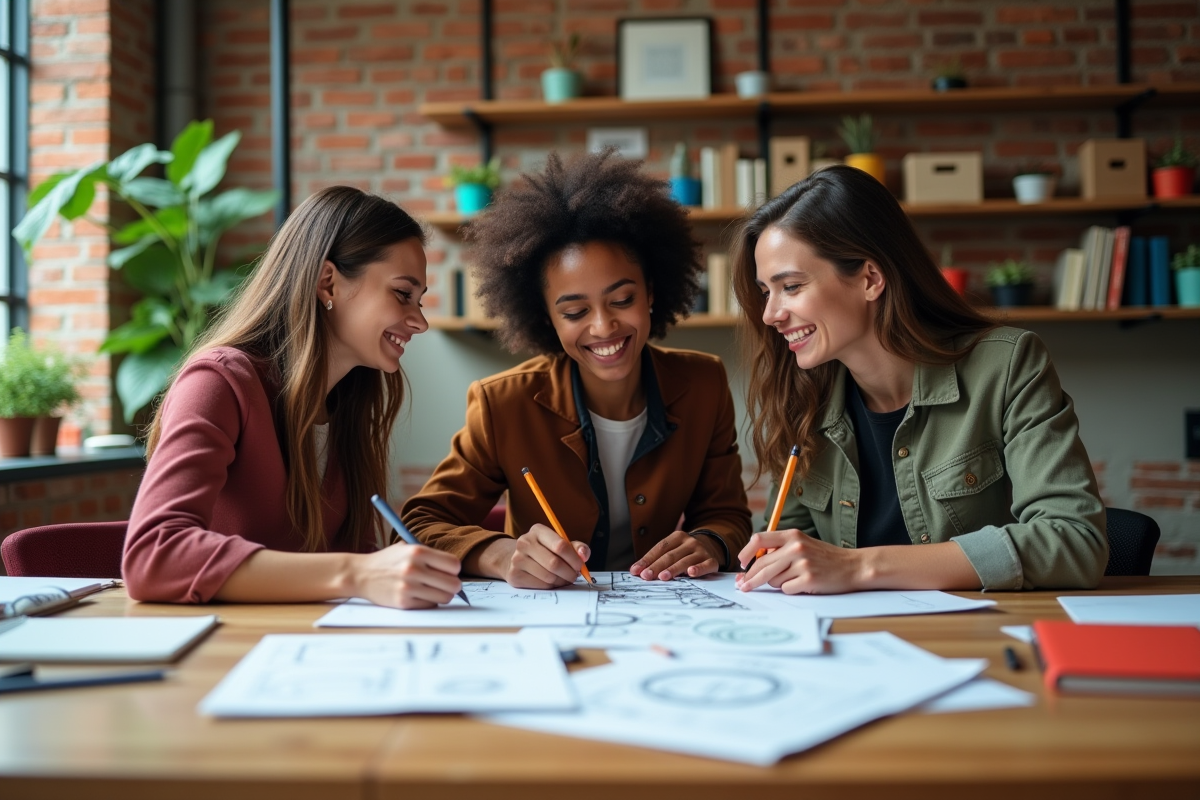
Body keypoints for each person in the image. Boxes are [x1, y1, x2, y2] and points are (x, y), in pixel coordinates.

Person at [731, 165, 1107, 594]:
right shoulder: (803, 394)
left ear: (870, 279)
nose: (770, 315)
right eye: (766, 292)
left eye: (792, 287)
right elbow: (789, 553)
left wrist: (859, 567)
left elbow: (1076, 541)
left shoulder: (1006, 367)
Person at [403, 150, 752, 588]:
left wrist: (711, 542)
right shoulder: (502, 403)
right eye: (574, 311)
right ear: (545, 317)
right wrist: (500, 554)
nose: (603, 326)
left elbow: (728, 513)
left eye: (622, 300)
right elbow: (421, 522)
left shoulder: (704, 383)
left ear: (652, 294)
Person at [123, 186, 464, 608]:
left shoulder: (349, 405)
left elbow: (352, 563)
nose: (420, 321)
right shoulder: (218, 382)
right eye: (402, 294)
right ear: (328, 282)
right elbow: (153, 557)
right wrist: (357, 574)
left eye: (419, 300)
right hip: (225, 656)